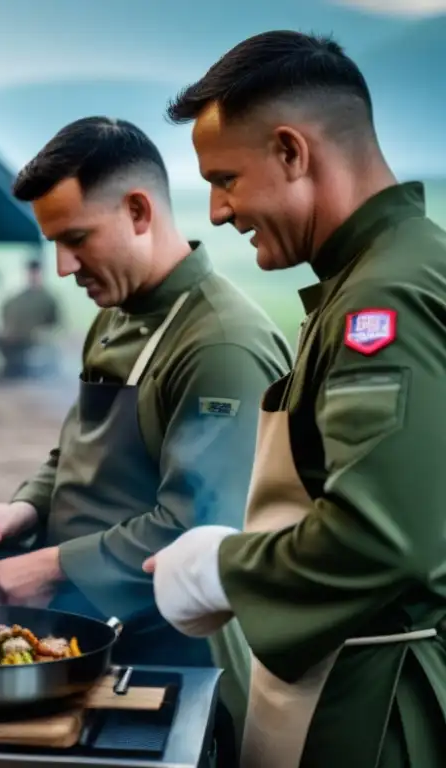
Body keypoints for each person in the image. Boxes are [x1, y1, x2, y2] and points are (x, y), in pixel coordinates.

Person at [145, 29, 446, 768]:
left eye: (225, 179)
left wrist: (223, 569)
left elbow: (383, 536)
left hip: (378, 711)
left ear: (291, 151)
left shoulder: (385, 299)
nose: (216, 212)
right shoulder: (381, 270)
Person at [0, 118, 293, 746]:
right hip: (85, 641)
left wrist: (52, 567)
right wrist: (25, 509)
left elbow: (201, 524)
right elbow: (75, 449)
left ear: (139, 211)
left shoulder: (220, 344)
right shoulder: (114, 313)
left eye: (76, 238)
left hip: (175, 655)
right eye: (53, 244)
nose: (63, 267)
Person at [0, 259, 61, 379]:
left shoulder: (48, 299)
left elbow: (56, 323)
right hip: (15, 338)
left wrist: (43, 333)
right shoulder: (18, 298)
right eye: (31, 273)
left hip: (34, 339)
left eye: (36, 273)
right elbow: (7, 311)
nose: (33, 276)